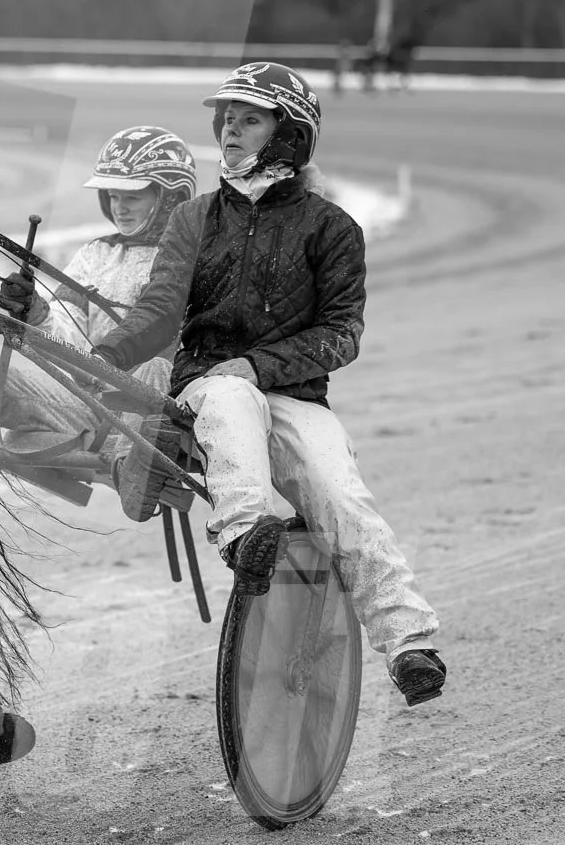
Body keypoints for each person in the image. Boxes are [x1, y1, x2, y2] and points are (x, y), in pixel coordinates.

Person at [91, 62, 447, 707]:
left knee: (340, 495)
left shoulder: (332, 229)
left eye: (248, 120)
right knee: (226, 399)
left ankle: (408, 641)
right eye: (225, 119)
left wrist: (261, 367)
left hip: (295, 396)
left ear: (289, 137)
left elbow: (342, 335)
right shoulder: (194, 219)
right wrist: (106, 355)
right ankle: (243, 533)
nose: (229, 132)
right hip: (207, 386)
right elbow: (159, 310)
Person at [0, 126, 196, 508]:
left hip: (161, 411)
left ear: (169, 196)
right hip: (87, 400)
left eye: (132, 196)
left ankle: (134, 469)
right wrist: (35, 311)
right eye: (112, 195)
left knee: (155, 372)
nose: (119, 207)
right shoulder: (94, 255)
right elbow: (70, 348)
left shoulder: (191, 258)